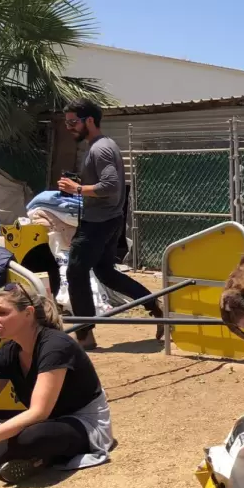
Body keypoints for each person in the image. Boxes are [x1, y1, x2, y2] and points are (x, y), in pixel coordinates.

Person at [58, 99, 163, 350]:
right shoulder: (99, 146)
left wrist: (78, 188)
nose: (69, 127)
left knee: (76, 271)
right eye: (67, 123)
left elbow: (111, 185)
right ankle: (154, 305)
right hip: (107, 220)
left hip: (98, 223)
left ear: (89, 121)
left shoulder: (100, 149)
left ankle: (84, 336)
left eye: (73, 122)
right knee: (105, 272)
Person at [0, 283, 113, 484]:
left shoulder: (55, 346)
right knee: (9, 442)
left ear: (28, 313)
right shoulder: (9, 351)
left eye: (2, 312)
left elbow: (39, 412)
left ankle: (34, 459)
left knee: (32, 437)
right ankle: (27, 461)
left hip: (82, 423)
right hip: (44, 422)